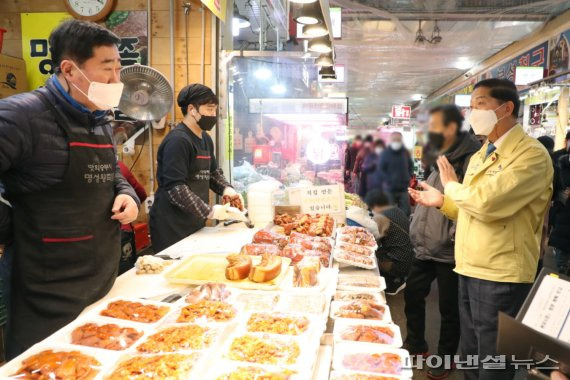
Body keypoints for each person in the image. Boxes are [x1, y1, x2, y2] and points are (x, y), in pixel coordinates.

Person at [0, 20, 140, 358]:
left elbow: (110, 173)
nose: (116, 80)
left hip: (102, 280)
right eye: (107, 69)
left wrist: (127, 194)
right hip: (46, 292)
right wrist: (10, 226)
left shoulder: (101, 119)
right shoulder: (20, 116)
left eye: (119, 69)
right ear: (69, 69)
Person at [409, 78, 553, 380]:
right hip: (469, 266)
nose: (473, 113)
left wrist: (450, 187)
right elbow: (470, 209)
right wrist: (441, 202)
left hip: (502, 273)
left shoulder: (531, 155)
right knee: (471, 354)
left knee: (494, 361)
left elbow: (488, 203)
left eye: (481, 105)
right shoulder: (481, 153)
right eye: (471, 107)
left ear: (507, 108)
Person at [405, 105, 480, 380]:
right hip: (424, 244)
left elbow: (470, 203)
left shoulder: (471, 159)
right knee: (413, 295)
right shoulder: (440, 154)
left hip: (449, 249)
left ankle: (445, 359)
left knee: (450, 309)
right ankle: (415, 345)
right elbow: (436, 193)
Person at [149, 84, 246, 253]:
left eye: (215, 110)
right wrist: (210, 212)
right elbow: (176, 189)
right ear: (192, 109)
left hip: (194, 221)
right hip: (171, 225)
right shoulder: (178, 141)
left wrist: (227, 189)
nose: (213, 115)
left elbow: (212, 173)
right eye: (209, 109)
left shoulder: (205, 139)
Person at [364, 189, 413, 295]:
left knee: (369, 258)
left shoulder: (381, 216)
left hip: (400, 262)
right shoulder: (393, 209)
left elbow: (373, 241)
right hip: (409, 255)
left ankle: (395, 282)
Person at [118, 161, 148, 275]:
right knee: (125, 276)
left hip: (88, 236)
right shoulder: (119, 166)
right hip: (121, 230)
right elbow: (140, 194)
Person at [379, 132, 414, 216]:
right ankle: (391, 227)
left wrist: (408, 177)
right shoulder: (385, 153)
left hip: (403, 188)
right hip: (389, 188)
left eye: (398, 140)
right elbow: (380, 169)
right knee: (389, 212)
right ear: (391, 140)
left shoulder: (405, 152)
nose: (396, 141)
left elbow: (410, 165)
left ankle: (404, 227)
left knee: (406, 211)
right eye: (394, 139)